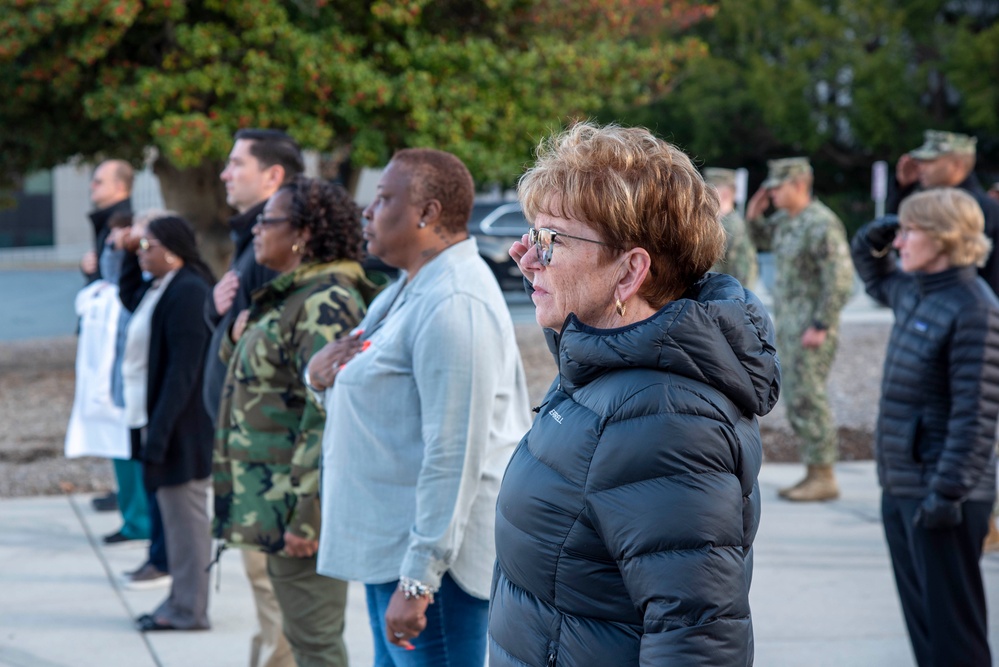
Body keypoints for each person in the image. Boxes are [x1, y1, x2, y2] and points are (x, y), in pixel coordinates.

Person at [488, 123, 779, 666]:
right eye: (533, 236)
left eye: (552, 241)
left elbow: (696, 640)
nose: (528, 258)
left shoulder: (669, 418)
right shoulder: (606, 373)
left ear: (630, 272)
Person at [307, 148, 531, 666]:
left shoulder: (455, 304)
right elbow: (355, 381)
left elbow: (453, 454)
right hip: (395, 549)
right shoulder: (407, 288)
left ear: (427, 213)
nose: (367, 210)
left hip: (436, 571)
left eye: (384, 199)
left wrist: (418, 578)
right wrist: (316, 377)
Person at [214, 176, 382, 666]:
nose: (255, 230)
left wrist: (308, 515)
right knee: (300, 637)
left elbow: (326, 414)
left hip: (296, 510)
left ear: (302, 234)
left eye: (267, 220)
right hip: (274, 501)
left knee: (314, 644)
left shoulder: (323, 300)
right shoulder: (294, 294)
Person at [851, 188, 998, 667]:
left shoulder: (974, 307)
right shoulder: (919, 291)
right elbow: (876, 278)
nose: (899, 242)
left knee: (955, 638)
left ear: (945, 238)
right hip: (904, 486)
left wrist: (948, 494)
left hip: (943, 496)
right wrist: (867, 241)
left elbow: (976, 414)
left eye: (910, 231)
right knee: (925, 632)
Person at [206, 129, 303, 667]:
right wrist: (216, 312)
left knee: (275, 594)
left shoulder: (275, 243)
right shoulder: (253, 238)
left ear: (273, 176)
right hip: (248, 458)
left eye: (235, 163)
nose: (224, 174)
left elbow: (273, 356)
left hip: (270, 464)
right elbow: (237, 329)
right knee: (265, 594)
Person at [118, 214, 216, 631]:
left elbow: (183, 373)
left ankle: (190, 609)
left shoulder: (189, 292)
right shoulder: (161, 287)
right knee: (174, 523)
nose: (142, 251)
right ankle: (178, 601)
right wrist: (127, 252)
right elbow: (127, 296)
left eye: (148, 246)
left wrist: (159, 432)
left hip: (182, 429)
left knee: (187, 523)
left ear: (172, 253)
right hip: (159, 422)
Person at [747, 157, 854, 501]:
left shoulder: (821, 224)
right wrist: (754, 212)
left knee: (810, 398)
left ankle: (824, 475)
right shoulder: (787, 221)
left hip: (812, 328)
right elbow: (759, 237)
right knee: (796, 399)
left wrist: (822, 324)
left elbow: (840, 279)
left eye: (778, 188)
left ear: (799, 185)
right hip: (792, 327)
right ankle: (814, 472)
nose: (772, 194)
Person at [83, 159, 134, 514]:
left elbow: (122, 288)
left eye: (99, 182)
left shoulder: (123, 226)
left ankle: (135, 507)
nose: (92, 187)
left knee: (120, 416)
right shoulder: (108, 224)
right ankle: (128, 498)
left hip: (117, 340)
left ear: (121, 187)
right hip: (106, 336)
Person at [889, 130, 999, 293]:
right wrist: (903, 189)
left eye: (930, 161)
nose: (920, 168)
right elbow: (891, 237)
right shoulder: (930, 201)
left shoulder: (981, 209)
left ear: (957, 165)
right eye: (920, 161)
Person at [704, 167, 757, 288]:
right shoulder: (718, 224)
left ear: (725, 194)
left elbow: (743, 274)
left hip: (724, 301)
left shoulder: (733, 226)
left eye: (710, 191)